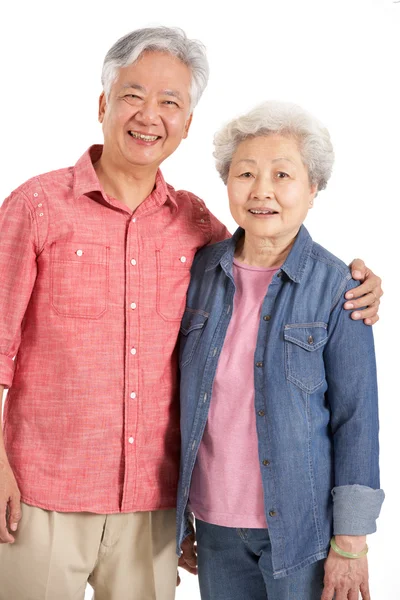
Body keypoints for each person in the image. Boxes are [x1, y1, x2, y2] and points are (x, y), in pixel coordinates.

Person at [0, 27, 381, 600]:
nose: (149, 115)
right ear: (103, 103)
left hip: (155, 512)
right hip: (41, 494)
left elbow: (271, 258)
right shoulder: (37, 207)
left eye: (171, 102)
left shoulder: (195, 225)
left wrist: (358, 283)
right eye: (132, 95)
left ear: (188, 123)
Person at [176, 101, 384, 600]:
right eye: (245, 173)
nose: (261, 190)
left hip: (302, 531)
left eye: (282, 174)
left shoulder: (341, 289)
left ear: (313, 189)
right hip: (215, 527)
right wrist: (178, 513)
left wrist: (351, 541)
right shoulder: (200, 273)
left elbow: (357, 419)